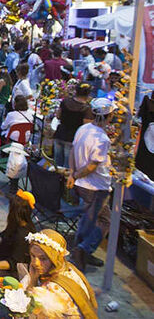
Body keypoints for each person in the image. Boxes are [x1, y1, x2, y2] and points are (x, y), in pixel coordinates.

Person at [67, 98, 115, 272]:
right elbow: (92, 166)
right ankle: (83, 249)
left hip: (83, 184)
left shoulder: (83, 128)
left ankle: (82, 251)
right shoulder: (102, 138)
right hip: (95, 187)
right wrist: (75, 175)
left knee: (88, 220)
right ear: (108, 116)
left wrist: (72, 174)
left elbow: (73, 151)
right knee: (105, 220)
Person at [20, 229, 97, 318]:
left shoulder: (52, 289)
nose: (35, 263)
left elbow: (26, 308)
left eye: (43, 258)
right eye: (33, 256)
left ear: (55, 258)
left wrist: (32, 281)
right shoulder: (68, 267)